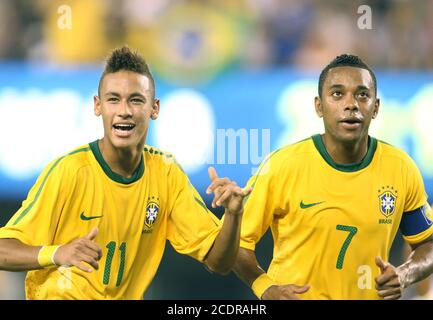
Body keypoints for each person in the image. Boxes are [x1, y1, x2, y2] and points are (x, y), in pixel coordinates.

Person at [0, 46, 250, 299]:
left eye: (136, 100)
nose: (124, 110)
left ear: (154, 108)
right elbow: (3, 250)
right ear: (98, 106)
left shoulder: (166, 173)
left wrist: (233, 214)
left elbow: (219, 262)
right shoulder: (70, 171)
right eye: (113, 99)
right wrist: (57, 253)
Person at [233, 54, 433, 300]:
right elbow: (236, 243)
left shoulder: (401, 168)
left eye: (362, 94)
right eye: (337, 94)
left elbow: (427, 244)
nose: (351, 104)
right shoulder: (281, 166)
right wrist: (264, 287)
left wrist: (405, 274)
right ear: (319, 106)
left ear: (376, 107)